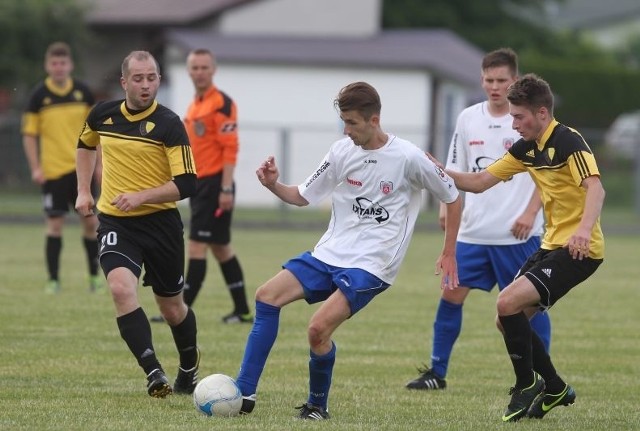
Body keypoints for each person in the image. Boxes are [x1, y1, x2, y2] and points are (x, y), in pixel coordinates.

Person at [234, 81, 462, 420]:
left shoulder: (408, 157)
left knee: (317, 329)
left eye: (352, 122)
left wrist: (449, 251)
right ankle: (244, 393)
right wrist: (272, 185)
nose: (346, 129)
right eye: (343, 121)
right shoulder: (341, 151)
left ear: (374, 120)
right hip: (330, 253)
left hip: (372, 264)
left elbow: (452, 195)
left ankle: (316, 406)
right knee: (267, 296)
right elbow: (302, 195)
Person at [434, 73, 604, 422]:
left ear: (542, 113)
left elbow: (596, 188)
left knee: (506, 301)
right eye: (511, 116)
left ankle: (526, 383)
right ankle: (554, 386)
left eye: (519, 116)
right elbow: (480, 182)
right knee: (505, 319)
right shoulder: (526, 149)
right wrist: (437, 170)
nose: (513, 123)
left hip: (579, 251)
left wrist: (584, 230)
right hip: (551, 245)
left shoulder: (568, 140)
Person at [406, 48, 551, 391]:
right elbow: (456, 165)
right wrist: (445, 204)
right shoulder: (468, 117)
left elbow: (548, 174)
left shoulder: (527, 120)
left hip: (517, 235)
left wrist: (531, 212)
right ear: (481, 79)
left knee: (527, 307)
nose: (495, 86)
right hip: (473, 232)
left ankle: (542, 377)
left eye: (502, 80)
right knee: (450, 296)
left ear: (515, 80)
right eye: (489, 80)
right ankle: (437, 373)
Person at [75, 50, 200, 398]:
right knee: (119, 289)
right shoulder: (103, 114)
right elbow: (84, 145)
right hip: (118, 222)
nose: (146, 85)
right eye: (139, 78)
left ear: (159, 80)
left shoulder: (170, 124)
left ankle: (189, 364)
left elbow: (188, 182)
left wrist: (142, 196)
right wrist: (84, 191)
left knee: (172, 308)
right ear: (124, 82)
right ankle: (153, 371)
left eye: (152, 78)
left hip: (162, 225)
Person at [150, 48, 252, 324]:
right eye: (194, 68)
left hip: (215, 184)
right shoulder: (195, 105)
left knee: (196, 246)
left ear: (213, 69)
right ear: (188, 71)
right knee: (221, 248)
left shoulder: (222, 103)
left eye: (204, 67)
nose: (199, 72)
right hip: (200, 184)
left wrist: (226, 188)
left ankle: (179, 311)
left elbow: (231, 149)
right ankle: (242, 311)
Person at [21, 41, 101, 294]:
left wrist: (99, 165)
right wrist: (36, 167)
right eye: (54, 63)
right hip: (53, 171)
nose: (58, 68)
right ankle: (53, 280)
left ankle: (94, 278)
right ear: (47, 66)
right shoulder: (37, 97)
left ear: (70, 65)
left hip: (83, 171)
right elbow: (29, 135)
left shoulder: (84, 93)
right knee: (54, 225)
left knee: (90, 224)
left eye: (62, 63)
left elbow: (96, 132)